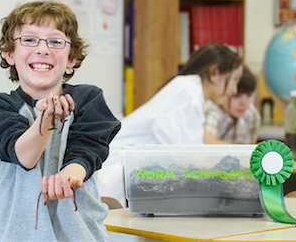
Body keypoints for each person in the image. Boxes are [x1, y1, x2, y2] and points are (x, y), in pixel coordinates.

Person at [0, 0, 121, 241]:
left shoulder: (88, 98)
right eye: (29, 40)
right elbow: (24, 155)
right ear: (10, 54)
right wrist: (46, 120)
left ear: (71, 58)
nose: (43, 49)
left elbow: (87, 150)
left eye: (55, 41)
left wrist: (69, 176)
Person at [98, 43, 243, 207]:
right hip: (111, 175)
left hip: (117, 173)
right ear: (215, 73)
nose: (234, 90)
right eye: (235, 79)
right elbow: (189, 156)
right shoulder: (188, 93)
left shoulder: (189, 91)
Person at [203, 65, 261, 144]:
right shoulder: (212, 109)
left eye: (249, 95)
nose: (244, 103)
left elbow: (251, 147)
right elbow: (208, 141)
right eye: (236, 96)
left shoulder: (251, 114)